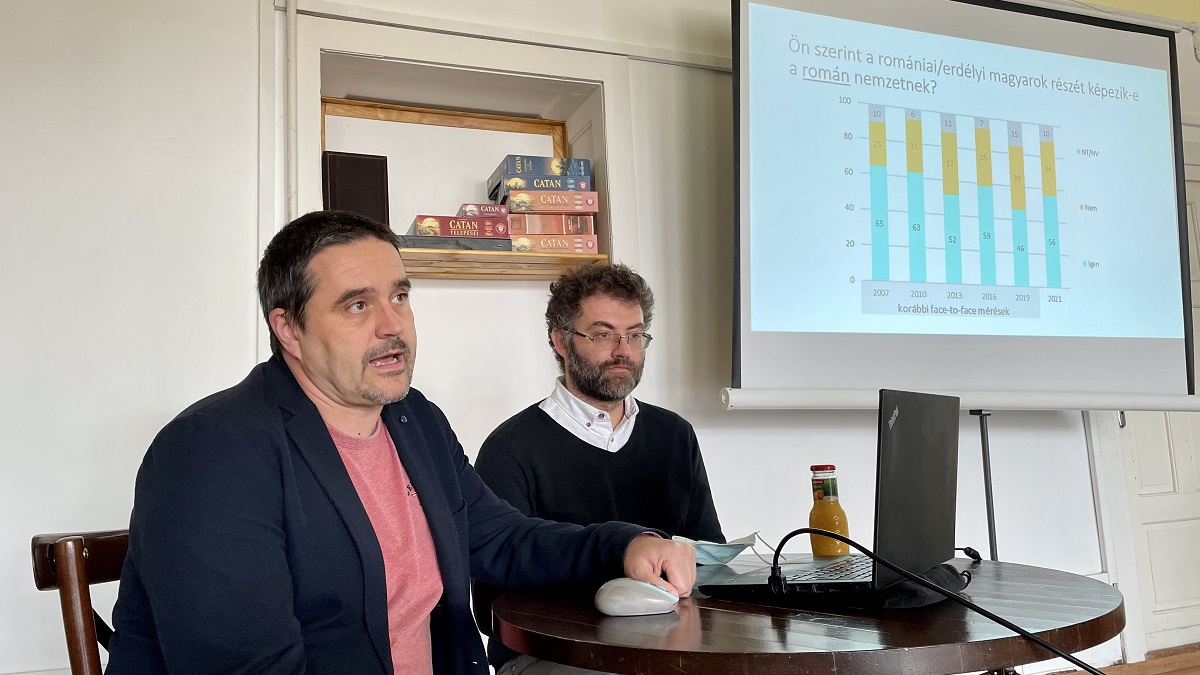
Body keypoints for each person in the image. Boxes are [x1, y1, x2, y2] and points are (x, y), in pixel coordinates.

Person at [106, 211, 695, 675]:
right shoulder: (211, 453)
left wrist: (623, 545)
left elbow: (500, 538)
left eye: (400, 297)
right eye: (357, 304)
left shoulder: (414, 420)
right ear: (288, 328)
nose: (392, 326)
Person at [473, 263, 724, 674]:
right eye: (604, 334)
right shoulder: (510, 449)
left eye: (635, 335)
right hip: (553, 655)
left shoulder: (674, 435)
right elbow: (490, 607)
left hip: (668, 651)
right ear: (561, 341)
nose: (623, 350)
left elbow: (709, 558)